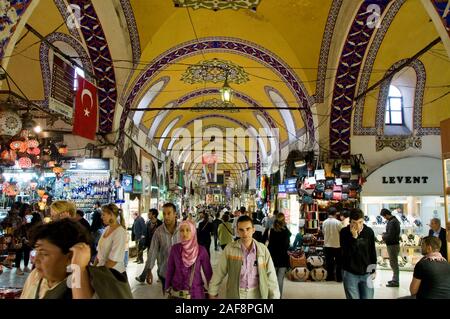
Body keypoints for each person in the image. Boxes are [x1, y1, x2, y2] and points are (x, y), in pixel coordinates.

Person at [20, 219, 132, 299]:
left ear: (70, 257)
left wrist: (78, 268)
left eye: (44, 253)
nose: (36, 260)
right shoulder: (35, 277)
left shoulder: (92, 285)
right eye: (37, 251)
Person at [208, 215, 280, 299]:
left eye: (248, 229)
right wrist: (212, 291)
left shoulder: (262, 250)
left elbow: (271, 277)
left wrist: (275, 296)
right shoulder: (230, 249)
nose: (245, 233)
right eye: (241, 230)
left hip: (257, 294)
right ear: (237, 231)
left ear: (253, 230)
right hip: (235, 294)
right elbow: (219, 272)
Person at [136, 203, 180, 294]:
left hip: (182, 273)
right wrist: (149, 271)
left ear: (175, 214)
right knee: (169, 295)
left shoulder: (183, 229)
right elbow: (153, 252)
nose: (166, 216)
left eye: (169, 213)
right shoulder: (158, 232)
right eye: (164, 214)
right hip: (165, 273)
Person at [165, 220, 213, 299]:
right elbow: (170, 269)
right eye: (182, 230)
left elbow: (208, 273)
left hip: (196, 292)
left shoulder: (201, 250)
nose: (184, 233)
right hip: (177, 292)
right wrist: (167, 286)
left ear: (193, 231)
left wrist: (212, 292)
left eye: (188, 230)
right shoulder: (175, 249)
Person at [340, 208, 377, 299]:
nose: (358, 225)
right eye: (354, 223)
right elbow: (345, 254)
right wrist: (354, 238)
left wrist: (373, 269)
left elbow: (372, 252)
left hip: (366, 272)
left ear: (363, 220)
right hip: (350, 273)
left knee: (368, 297)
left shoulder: (369, 232)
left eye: (360, 222)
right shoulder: (344, 232)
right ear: (350, 222)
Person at [94, 204, 127, 275]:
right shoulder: (107, 229)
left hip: (114, 274)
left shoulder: (119, 232)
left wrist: (99, 273)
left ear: (111, 215)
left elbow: (113, 260)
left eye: (103, 215)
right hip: (103, 271)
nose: (101, 217)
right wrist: (94, 268)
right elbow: (99, 253)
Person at [263, 212, 291, 297]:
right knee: (280, 279)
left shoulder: (270, 231)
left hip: (272, 257)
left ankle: (271, 296)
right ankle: (278, 296)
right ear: (283, 221)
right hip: (283, 258)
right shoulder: (286, 232)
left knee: (271, 279)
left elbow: (262, 240)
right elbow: (287, 246)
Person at [380, 208, 401, 287]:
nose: (384, 218)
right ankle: (394, 279)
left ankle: (395, 281)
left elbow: (391, 235)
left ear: (386, 215)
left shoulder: (392, 222)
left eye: (384, 216)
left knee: (394, 263)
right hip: (393, 244)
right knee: (393, 263)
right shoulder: (394, 221)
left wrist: (383, 236)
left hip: (392, 245)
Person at [322, 207, 343, 282]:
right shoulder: (338, 222)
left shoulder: (324, 222)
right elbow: (342, 233)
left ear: (328, 213)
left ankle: (329, 277)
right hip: (337, 245)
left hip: (327, 245)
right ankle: (339, 278)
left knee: (329, 263)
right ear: (335, 214)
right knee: (339, 263)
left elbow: (323, 232)